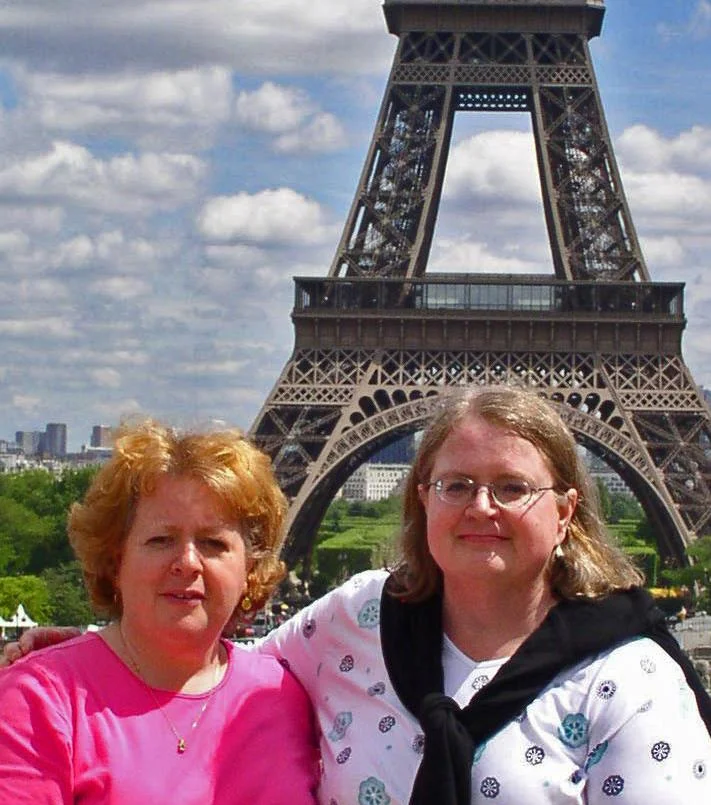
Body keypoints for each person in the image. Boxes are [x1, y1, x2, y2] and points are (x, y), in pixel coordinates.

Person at [5, 388, 711, 805]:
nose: (480, 507)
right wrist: (97, 646)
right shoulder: (356, 621)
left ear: (564, 511)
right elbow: (208, 660)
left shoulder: (631, 680)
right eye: (456, 484)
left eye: (513, 487)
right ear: (422, 497)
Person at [0, 420, 318, 804]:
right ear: (116, 561)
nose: (187, 562)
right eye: (161, 540)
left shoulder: (286, 694)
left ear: (250, 568)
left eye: (213, 543)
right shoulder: (39, 700)